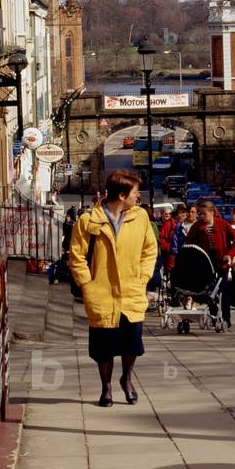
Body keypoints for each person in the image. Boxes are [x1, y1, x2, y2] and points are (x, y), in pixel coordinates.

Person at [69, 169, 157, 407]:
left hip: (131, 291)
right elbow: (76, 256)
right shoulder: (89, 221)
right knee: (103, 348)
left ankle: (126, 378)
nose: (138, 197)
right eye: (135, 193)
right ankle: (106, 387)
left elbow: (149, 250)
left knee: (133, 345)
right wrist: (87, 285)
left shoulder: (140, 218)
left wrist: (143, 277)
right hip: (102, 293)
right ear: (121, 195)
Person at [184, 200, 235, 327]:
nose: (201, 216)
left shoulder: (222, 225)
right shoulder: (198, 226)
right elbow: (189, 241)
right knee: (205, 291)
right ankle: (214, 312)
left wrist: (230, 254)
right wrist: (195, 253)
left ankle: (226, 318)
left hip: (221, 263)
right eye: (200, 214)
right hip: (205, 264)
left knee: (223, 290)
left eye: (203, 214)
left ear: (211, 212)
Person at [159, 204, 185, 272]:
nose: (183, 215)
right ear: (176, 215)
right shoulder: (168, 224)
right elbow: (161, 239)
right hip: (172, 257)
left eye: (184, 213)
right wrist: (170, 247)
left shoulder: (186, 224)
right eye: (181, 213)